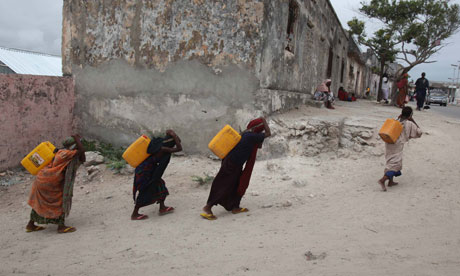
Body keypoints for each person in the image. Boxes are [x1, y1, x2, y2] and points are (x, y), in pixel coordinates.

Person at [201, 118, 271, 220]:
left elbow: (258, 145)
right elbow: (268, 133)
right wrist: (264, 121)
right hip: (232, 164)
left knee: (236, 184)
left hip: (234, 164)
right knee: (222, 185)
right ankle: (208, 207)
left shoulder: (247, 134)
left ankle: (234, 206)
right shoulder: (250, 136)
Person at [26, 135, 86, 233]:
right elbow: (82, 151)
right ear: (73, 145)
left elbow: (82, 158)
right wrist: (77, 139)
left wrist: (77, 141)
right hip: (50, 181)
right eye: (78, 143)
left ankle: (30, 224)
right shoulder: (66, 154)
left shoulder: (60, 152)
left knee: (40, 202)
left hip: (42, 179)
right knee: (60, 201)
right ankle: (61, 227)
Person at [131, 130, 182, 220]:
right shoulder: (163, 148)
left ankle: (162, 208)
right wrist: (173, 135)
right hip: (144, 172)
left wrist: (172, 135)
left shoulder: (157, 143)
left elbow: (175, 141)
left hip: (148, 170)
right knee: (145, 190)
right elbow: (179, 148)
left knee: (160, 186)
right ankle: (134, 214)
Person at [378, 107, 422, 191]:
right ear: (410, 115)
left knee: (390, 161)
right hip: (397, 145)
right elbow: (419, 132)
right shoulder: (409, 123)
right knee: (394, 164)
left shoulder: (396, 121)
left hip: (389, 142)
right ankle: (382, 180)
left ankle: (390, 182)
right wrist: (413, 120)